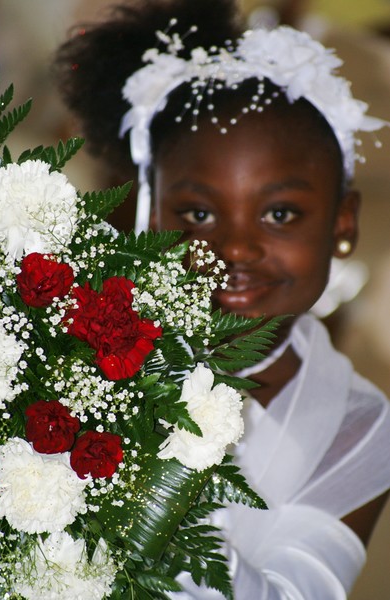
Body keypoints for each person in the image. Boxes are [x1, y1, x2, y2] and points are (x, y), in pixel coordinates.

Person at [53, 1, 390, 597]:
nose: (235, 247)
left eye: (280, 213)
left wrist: (142, 492)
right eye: (199, 213)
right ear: (146, 213)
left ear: (342, 222)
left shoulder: (357, 427)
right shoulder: (62, 345)